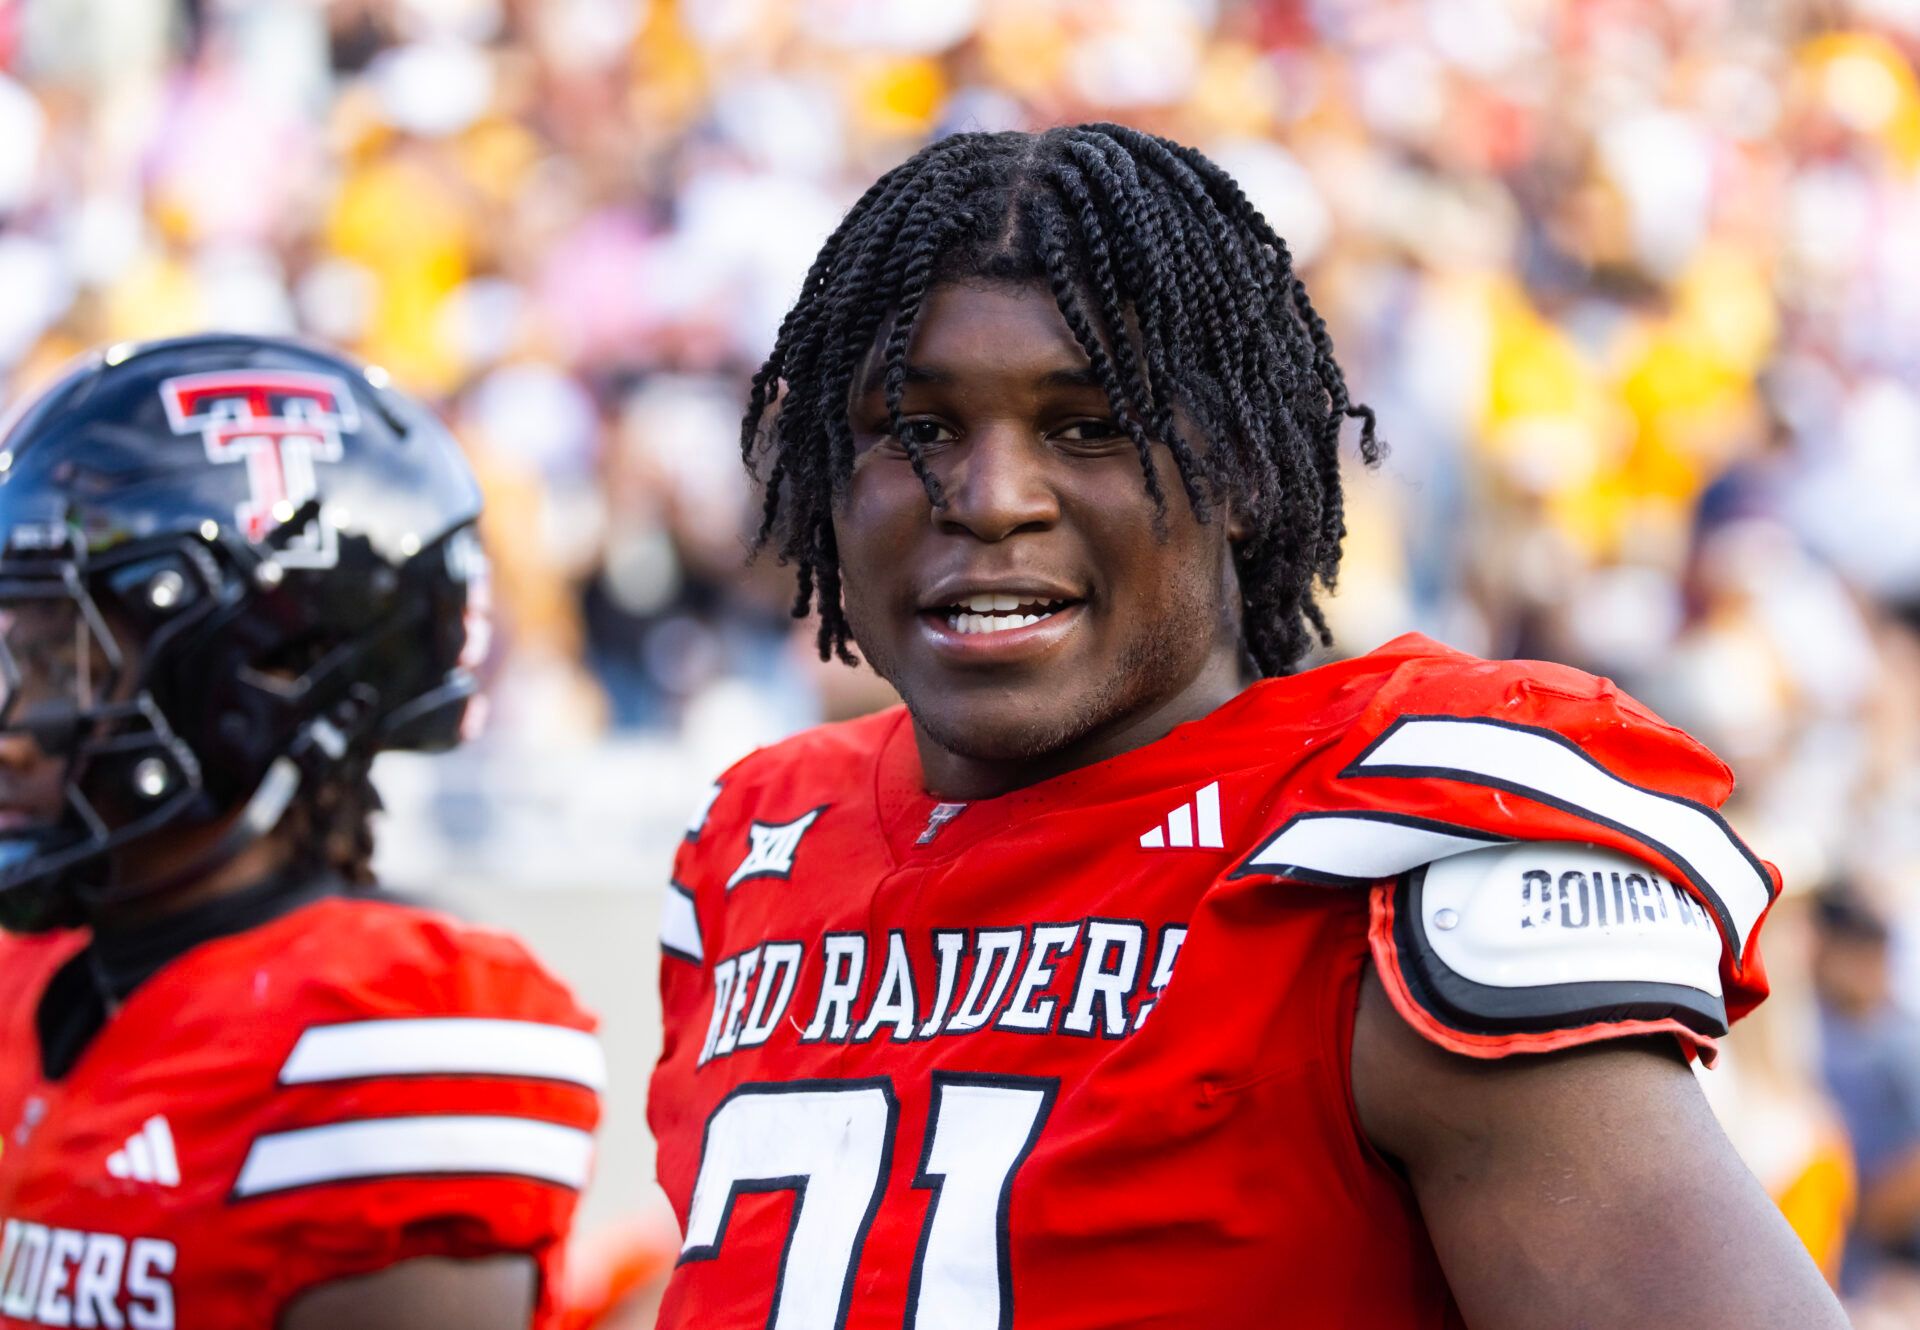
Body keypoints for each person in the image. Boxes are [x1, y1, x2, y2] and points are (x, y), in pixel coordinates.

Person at [647, 125, 1849, 1327]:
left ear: (1240, 471)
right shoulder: (757, 842)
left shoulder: (1386, 852)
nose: (993, 498)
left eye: (1087, 426)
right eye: (916, 429)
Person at [0, 335, 602, 1330]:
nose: (15, 724)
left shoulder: (383, 1031)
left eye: (65, 659)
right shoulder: (38, 973)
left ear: (252, 674)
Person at [1811, 888, 1920, 1303]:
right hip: (1849, 1255)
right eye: (1858, 956)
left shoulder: (1899, 1031)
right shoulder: (1814, 1033)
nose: (1871, 971)